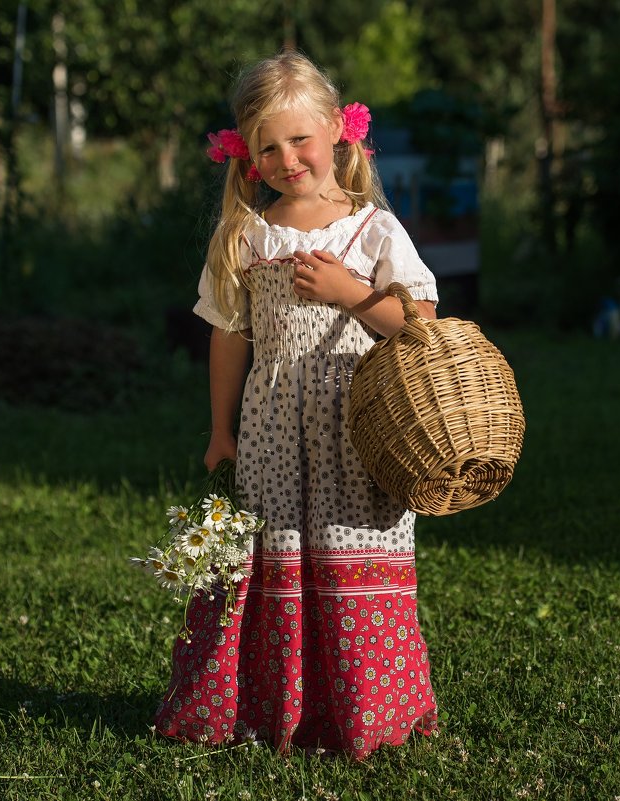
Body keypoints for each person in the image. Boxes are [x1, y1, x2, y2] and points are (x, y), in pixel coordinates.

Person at [155, 51, 439, 758]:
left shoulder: (371, 228)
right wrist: (220, 429)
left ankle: (365, 714)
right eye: (269, 147)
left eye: (299, 139)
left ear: (338, 131)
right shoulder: (247, 236)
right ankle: (274, 709)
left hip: (356, 429)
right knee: (274, 557)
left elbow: (421, 320)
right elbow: (228, 339)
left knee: (354, 550)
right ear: (247, 155)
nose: (287, 158)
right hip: (274, 430)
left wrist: (351, 293)